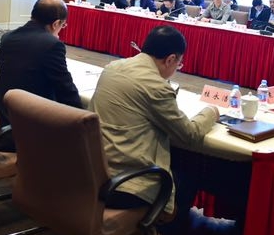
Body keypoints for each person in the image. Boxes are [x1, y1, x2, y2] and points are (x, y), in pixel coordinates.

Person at [91, 25, 219, 216]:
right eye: (179, 64)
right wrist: (212, 111)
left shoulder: (112, 67)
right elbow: (189, 134)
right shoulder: (156, 87)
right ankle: (167, 228)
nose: (177, 68)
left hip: (94, 172)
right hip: (126, 185)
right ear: (171, 59)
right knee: (190, 171)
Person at [0, 0, 81, 131]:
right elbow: (65, 90)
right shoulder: (52, 44)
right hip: (30, 126)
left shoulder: (7, 37)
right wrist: (83, 118)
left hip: (2, 118)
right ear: (56, 24)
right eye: (63, 25)